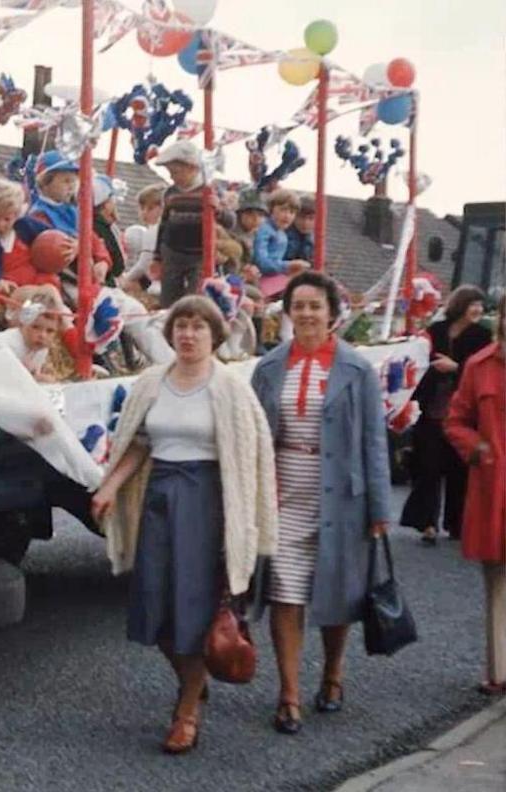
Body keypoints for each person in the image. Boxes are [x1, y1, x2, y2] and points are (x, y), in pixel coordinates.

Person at [91, 295, 278, 755]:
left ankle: (187, 711)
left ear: (215, 336)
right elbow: (137, 442)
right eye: (181, 326)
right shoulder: (153, 382)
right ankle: (192, 679)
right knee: (153, 604)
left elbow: (253, 456)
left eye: (198, 327)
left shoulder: (231, 388)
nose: (188, 334)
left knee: (194, 608)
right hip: (160, 499)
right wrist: (109, 486)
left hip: (208, 503)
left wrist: (251, 520)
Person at [250, 271, 393, 736]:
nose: (307, 313)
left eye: (316, 305)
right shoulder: (269, 367)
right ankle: (289, 694)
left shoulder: (356, 369)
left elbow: (375, 441)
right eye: (299, 305)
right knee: (283, 592)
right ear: (287, 312)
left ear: (333, 313)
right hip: (284, 493)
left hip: (341, 496)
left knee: (337, 591)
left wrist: (378, 509)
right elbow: (254, 437)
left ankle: (333, 673)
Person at [443, 294, 506, 695]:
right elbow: (455, 420)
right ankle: (499, 671)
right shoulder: (479, 366)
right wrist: (478, 448)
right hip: (494, 485)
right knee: (497, 581)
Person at [401, 286, 493, 545]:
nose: (478, 310)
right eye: (473, 304)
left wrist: (456, 367)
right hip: (433, 406)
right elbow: (418, 359)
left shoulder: (484, 336)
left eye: (481, 305)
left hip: (464, 409)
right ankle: (427, 523)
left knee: (458, 469)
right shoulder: (436, 331)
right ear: (461, 305)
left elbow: (484, 370)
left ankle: (457, 523)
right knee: (428, 465)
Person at [151, 141, 231, 308]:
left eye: (176, 172)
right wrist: (157, 256)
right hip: (172, 252)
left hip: (200, 255)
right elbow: (164, 225)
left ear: (192, 168)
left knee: (195, 297)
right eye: (170, 172)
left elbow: (230, 221)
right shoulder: (171, 193)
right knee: (168, 299)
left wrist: (218, 210)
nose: (172, 177)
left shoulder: (212, 191)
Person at [0, 179, 57, 294]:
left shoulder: (25, 225)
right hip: (10, 283)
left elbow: (51, 234)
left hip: (34, 278)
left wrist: (68, 243)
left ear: (16, 215)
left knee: (50, 284)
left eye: (7, 219)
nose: (1, 224)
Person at [252, 189, 310, 299]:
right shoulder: (265, 230)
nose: (287, 216)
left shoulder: (282, 234)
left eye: (292, 212)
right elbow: (262, 262)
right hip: (259, 278)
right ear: (271, 209)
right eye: (283, 210)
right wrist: (288, 266)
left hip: (273, 279)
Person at [26, 151, 79, 236]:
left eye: (73, 181)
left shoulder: (73, 210)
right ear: (45, 183)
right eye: (66, 181)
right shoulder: (40, 215)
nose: (71, 187)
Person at [92, 175, 126, 285]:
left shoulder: (101, 225)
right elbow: (117, 265)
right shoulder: (101, 228)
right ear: (105, 204)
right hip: (105, 284)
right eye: (112, 199)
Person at [231, 188, 267, 266]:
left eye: (260, 215)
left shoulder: (259, 233)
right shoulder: (231, 233)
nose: (256, 219)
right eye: (250, 213)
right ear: (239, 214)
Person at [284, 196, 316, 263]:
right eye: (301, 217)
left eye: (311, 219)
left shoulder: (314, 241)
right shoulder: (282, 235)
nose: (305, 223)